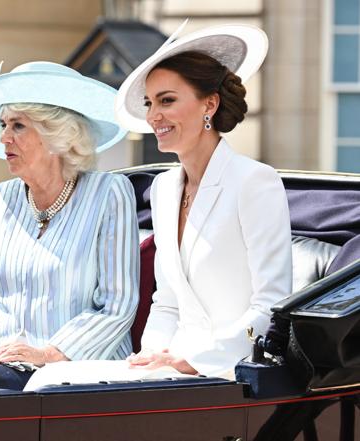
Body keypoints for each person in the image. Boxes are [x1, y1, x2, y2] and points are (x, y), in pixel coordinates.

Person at [0, 61, 140, 391]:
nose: (3, 137)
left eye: (17, 126)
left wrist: (48, 353)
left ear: (57, 135)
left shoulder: (109, 194)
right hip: (0, 365)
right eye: (3, 124)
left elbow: (117, 306)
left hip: (79, 372)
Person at [115, 24, 293, 378]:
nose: (153, 116)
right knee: (47, 383)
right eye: (150, 103)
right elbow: (166, 302)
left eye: (167, 101)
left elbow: (270, 305)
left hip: (228, 370)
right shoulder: (164, 189)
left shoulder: (255, 181)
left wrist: (194, 362)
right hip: (168, 369)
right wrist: (150, 357)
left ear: (209, 104)